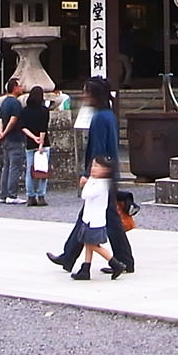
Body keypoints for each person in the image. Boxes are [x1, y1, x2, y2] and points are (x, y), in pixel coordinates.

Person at [48, 78, 135, 273]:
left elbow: (98, 148)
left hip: (101, 172)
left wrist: (90, 173)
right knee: (91, 217)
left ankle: (121, 261)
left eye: (87, 92)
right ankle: (70, 256)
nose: (84, 96)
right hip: (108, 171)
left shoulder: (100, 118)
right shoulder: (108, 115)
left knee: (105, 219)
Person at [71, 155, 128, 280]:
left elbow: (86, 194)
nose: (93, 169)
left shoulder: (101, 184)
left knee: (92, 245)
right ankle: (85, 268)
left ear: (105, 170)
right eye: (93, 166)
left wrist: (87, 182)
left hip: (94, 221)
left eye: (97, 166)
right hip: (90, 220)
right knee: (88, 244)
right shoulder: (99, 182)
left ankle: (115, 263)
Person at [0, 77, 27, 203]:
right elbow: (13, 120)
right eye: (20, 85)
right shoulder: (15, 103)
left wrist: (0, 132)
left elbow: (1, 119)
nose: (22, 87)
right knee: (14, 167)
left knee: (6, 166)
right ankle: (12, 195)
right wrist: (5, 132)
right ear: (15, 88)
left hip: (6, 139)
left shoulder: (5, 102)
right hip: (15, 137)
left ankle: (3, 194)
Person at [19, 85, 53, 206]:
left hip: (30, 143)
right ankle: (41, 195)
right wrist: (41, 142)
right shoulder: (44, 110)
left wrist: (33, 137)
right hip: (44, 143)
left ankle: (30, 196)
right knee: (42, 170)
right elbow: (43, 128)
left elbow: (23, 127)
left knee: (30, 170)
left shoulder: (24, 111)